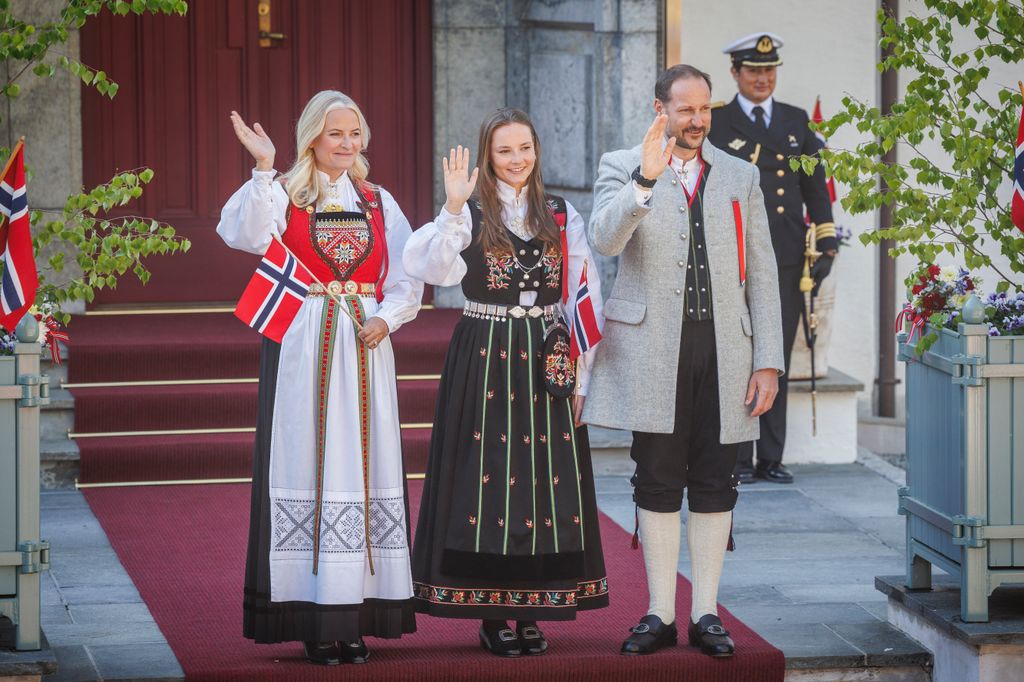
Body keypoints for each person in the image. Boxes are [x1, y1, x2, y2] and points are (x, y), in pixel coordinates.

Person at [582, 65, 783, 657]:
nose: (697, 121)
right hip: (652, 351)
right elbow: (604, 241)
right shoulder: (622, 166)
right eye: (686, 109)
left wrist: (767, 359)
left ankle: (707, 614)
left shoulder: (740, 175)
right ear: (660, 108)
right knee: (658, 478)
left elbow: (764, 276)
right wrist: (645, 180)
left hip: (726, 351)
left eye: (705, 110)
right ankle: (659, 613)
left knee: (718, 479)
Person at [217, 90, 422, 666]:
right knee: (308, 459)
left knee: (363, 463)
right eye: (336, 133)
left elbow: (407, 271)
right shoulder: (287, 193)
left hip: (365, 343)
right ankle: (312, 614)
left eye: (355, 133)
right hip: (304, 341)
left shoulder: (378, 201)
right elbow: (242, 233)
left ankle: (352, 613)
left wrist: (388, 316)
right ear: (313, 137)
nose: (347, 143)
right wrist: (263, 167)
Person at [404, 108, 609, 658]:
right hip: (487, 354)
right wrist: (450, 206)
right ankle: (494, 611)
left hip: (546, 354)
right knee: (489, 478)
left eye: (525, 148)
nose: (517, 159)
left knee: (544, 481)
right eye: (504, 151)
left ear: (537, 150)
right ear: (488, 155)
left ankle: (535, 606)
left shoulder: (561, 215)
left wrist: (584, 378)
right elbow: (428, 267)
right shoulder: (469, 212)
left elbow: (583, 294)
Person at [708, 33, 838, 485]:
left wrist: (826, 244)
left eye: (769, 70)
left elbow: (814, 189)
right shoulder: (717, 123)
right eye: (753, 71)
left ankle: (772, 456)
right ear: (735, 74)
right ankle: (738, 459)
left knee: (774, 354)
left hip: (783, 255)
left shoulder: (794, 120)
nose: (762, 78)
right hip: (731, 253)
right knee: (737, 355)